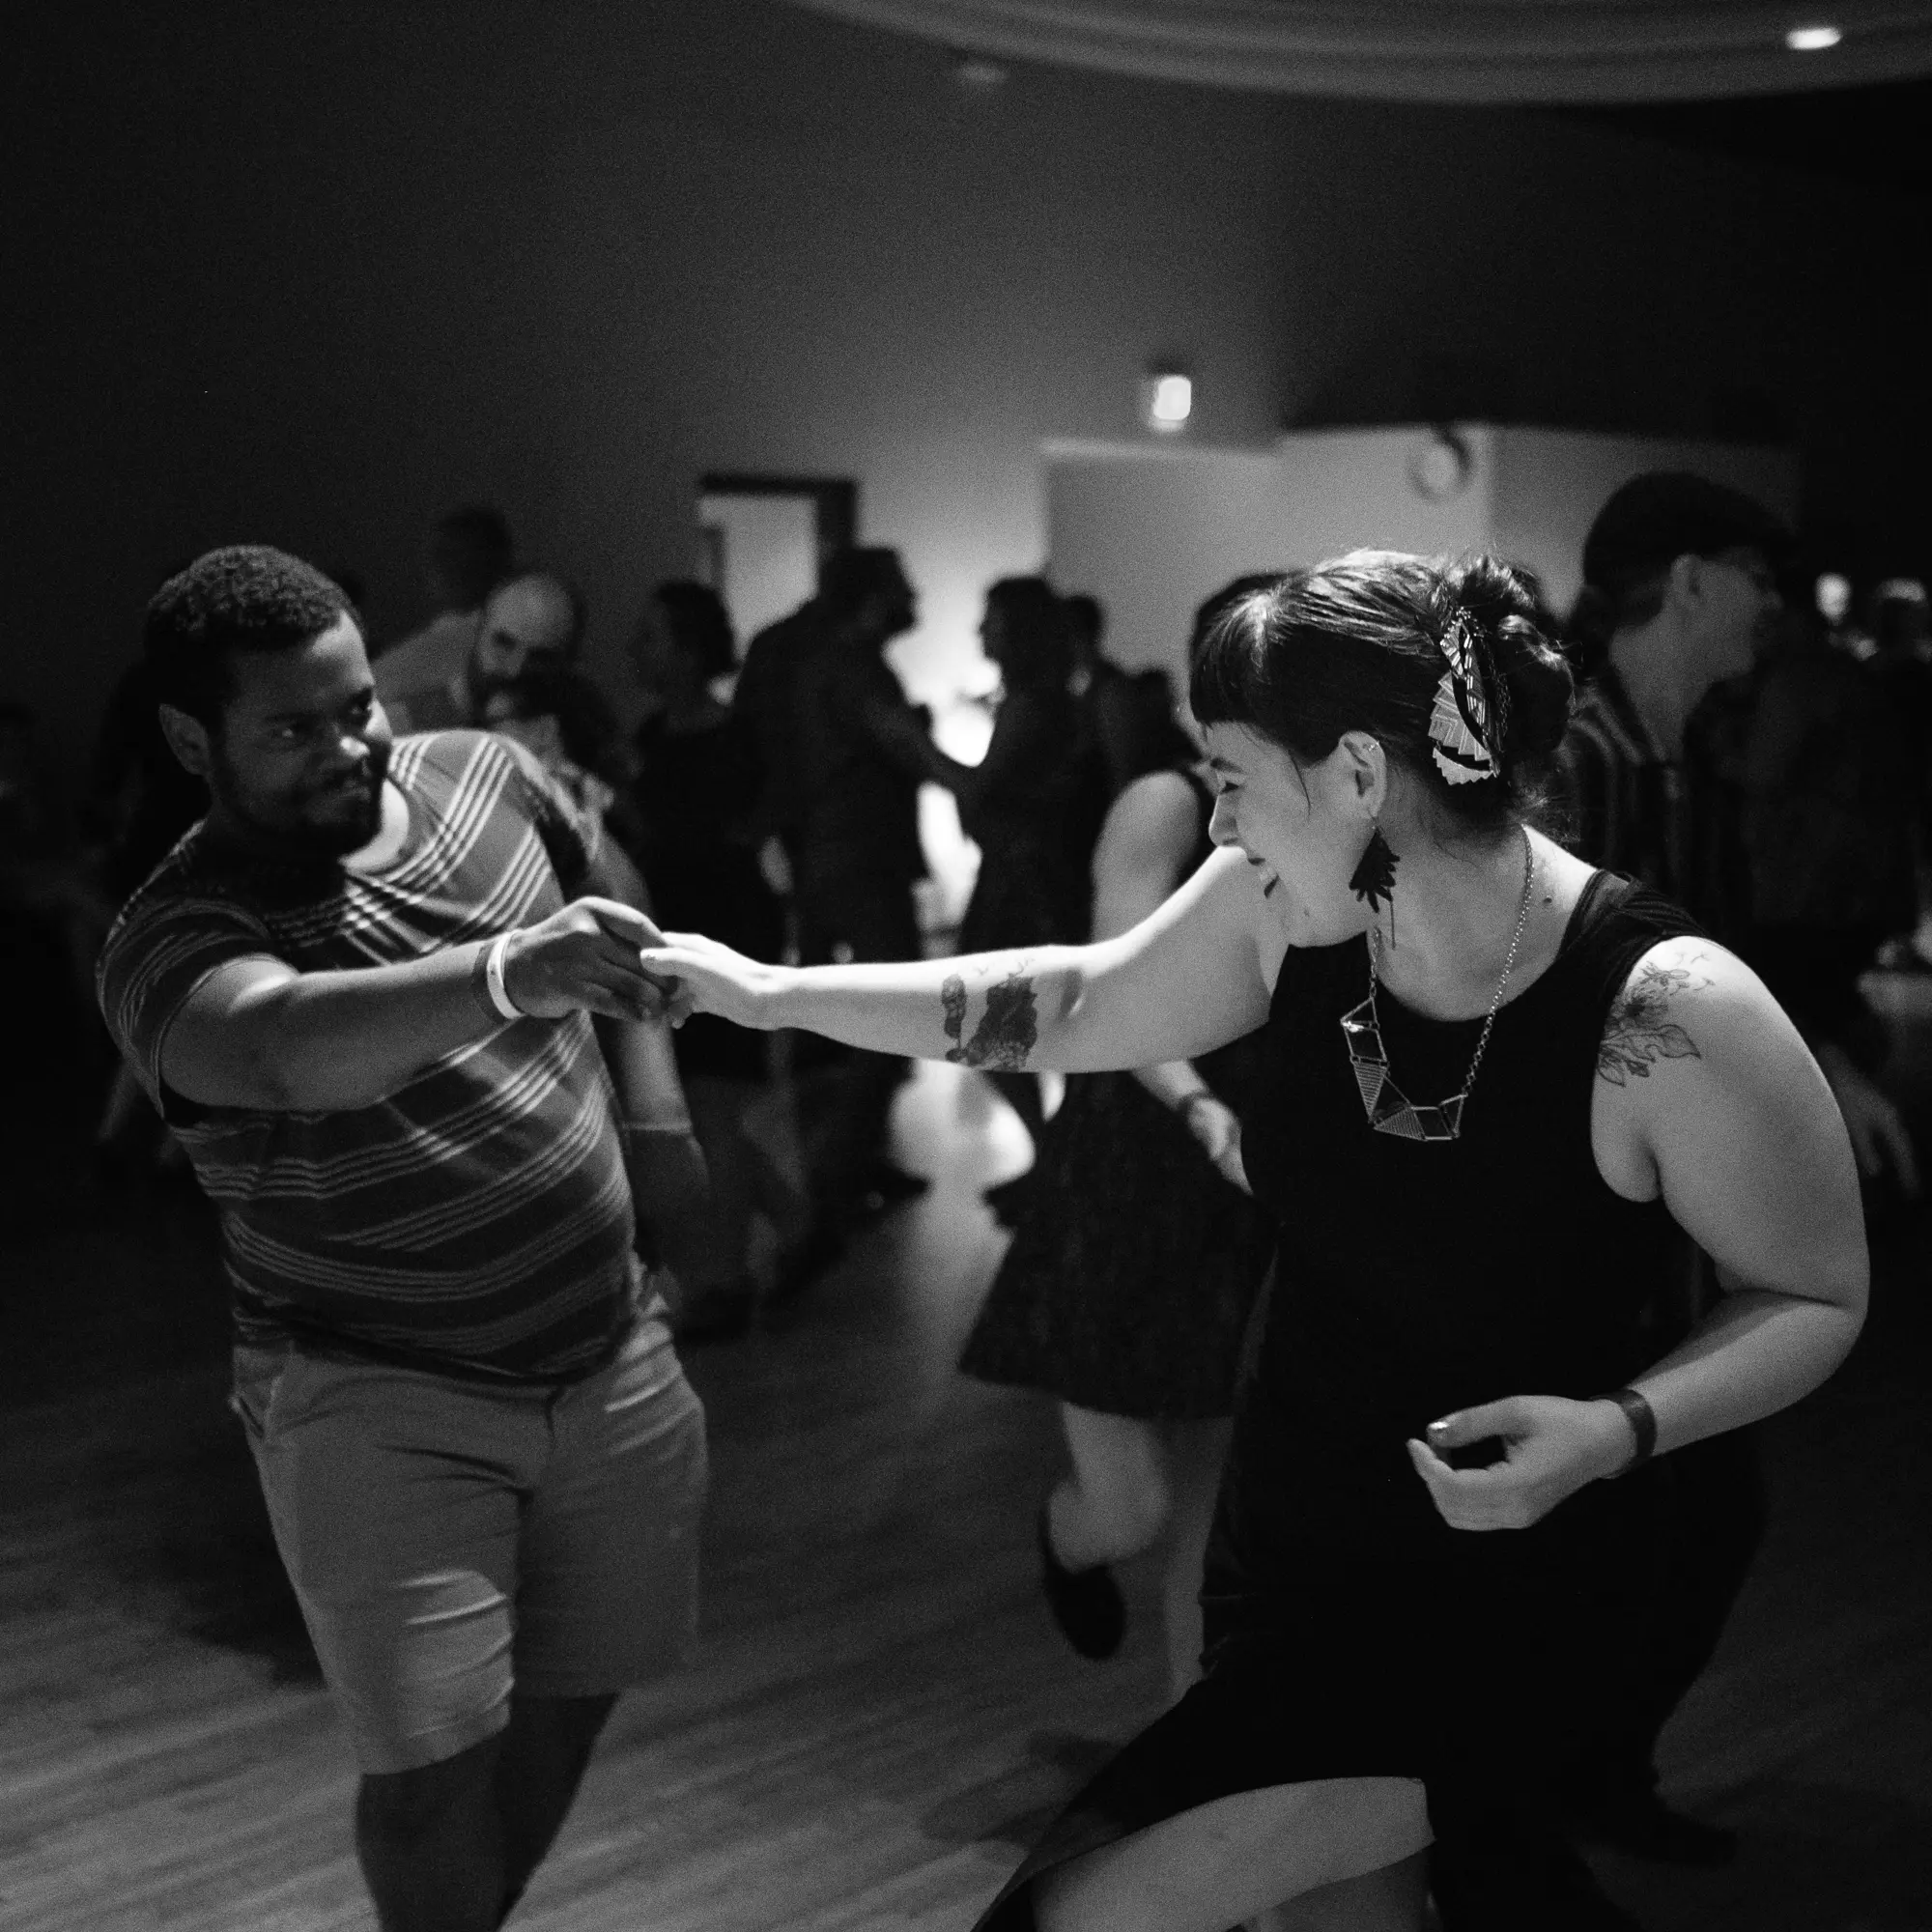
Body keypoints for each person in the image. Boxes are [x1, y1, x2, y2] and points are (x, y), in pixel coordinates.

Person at [639, 549, 1868, 1932]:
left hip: (1518, 1581)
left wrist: (1620, 1426)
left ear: (1354, 776)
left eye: (1231, 780)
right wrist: (767, 991)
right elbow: (1069, 1000)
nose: (1218, 830)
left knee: (1079, 1912)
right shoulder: (1294, 918)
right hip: (1296, 1549)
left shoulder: (1660, 1008)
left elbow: (1817, 1291)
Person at [96, 547, 709, 1932]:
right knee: (431, 1776)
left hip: (612, 1353)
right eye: (293, 728)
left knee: (574, 1693)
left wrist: (660, 1123)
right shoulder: (171, 935)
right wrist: (507, 970)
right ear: (194, 740)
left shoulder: (488, 777)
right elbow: (280, 1051)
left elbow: (615, 898)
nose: (350, 744)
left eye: (358, 704)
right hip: (374, 1397)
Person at [959, 580, 1275, 1700]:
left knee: (1219, 1505)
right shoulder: (1164, 802)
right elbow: (1116, 991)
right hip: (1136, 1159)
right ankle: (1066, 1533)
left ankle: (1197, 1755)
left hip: (1242, 1173)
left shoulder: (1318, 815)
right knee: (1131, 1502)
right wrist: (1197, 1106)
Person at [735, 547, 934, 1244]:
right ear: (873, 595)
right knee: (892, 1012)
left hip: (821, 848)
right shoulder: (838, 659)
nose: (915, 599)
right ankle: (830, 1184)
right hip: (849, 852)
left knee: (836, 1018)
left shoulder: (796, 648)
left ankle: (849, 1170)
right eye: (902, 588)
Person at [629, 580, 809, 1339]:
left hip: (726, 923)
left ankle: (726, 1280)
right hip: (674, 925)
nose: (641, 649)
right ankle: (799, 1228)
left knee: (713, 1104)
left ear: (692, 648)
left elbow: (763, 813)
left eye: (655, 636)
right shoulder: (651, 736)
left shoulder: (737, 732)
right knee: (709, 1105)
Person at [905, 577, 1092, 1151]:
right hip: (1028, 879)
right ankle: (1050, 1162)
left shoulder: (1031, 705)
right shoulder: (1044, 700)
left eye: (992, 617)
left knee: (991, 1024)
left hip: (1024, 885)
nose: (980, 629)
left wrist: (911, 744)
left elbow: (984, 792)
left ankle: (1050, 1157)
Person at [375, 504, 515, 731]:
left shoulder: (391, 671)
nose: (460, 567)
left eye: (471, 557)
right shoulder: (395, 667)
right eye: (448, 555)